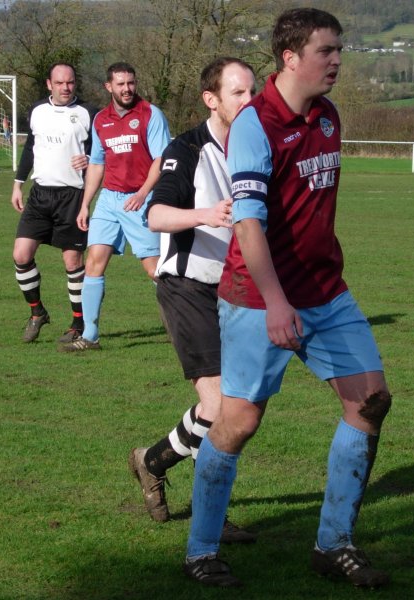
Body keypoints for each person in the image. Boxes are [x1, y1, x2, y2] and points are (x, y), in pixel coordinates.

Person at [183, 8, 392, 588]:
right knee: (239, 421)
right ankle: (201, 549)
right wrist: (277, 303)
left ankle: (333, 544)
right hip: (258, 296)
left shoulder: (327, 115)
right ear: (290, 57)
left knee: (370, 402)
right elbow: (248, 224)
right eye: (326, 51)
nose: (337, 60)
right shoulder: (256, 124)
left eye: (339, 50)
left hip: (327, 292)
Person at [130, 58, 257, 543]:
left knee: (231, 408)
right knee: (222, 405)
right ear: (212, 99)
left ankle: (152, 460)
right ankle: (211, 521)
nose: (249, 102)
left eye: (252, 92)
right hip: (186, 286)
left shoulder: (253, 146)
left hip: (235, 290)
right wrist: (207, 213)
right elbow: (156, 215)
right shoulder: (185, 149)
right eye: (238, 94)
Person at [61, 62, 171, 352]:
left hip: (141, 200)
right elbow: (97, 163)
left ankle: (180, 323)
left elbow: (161, 160)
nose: (127, 89)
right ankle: (90, 335)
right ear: (108, 87)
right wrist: (86, 204)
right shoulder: (100, 120)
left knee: (155, 270)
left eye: (130, 83)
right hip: (109, 200)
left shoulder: (150, 114)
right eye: (120, 84)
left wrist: (144, 193)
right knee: (94, 262)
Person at [11, 63, 97, 344]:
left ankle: (78, 323)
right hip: (40, 194)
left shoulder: (88, 113)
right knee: (21, 255)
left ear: (75, 83)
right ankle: (37, 313)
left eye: (70, 82)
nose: (65, 88)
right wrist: (18, 183)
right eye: (60, 83)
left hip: (72, 196)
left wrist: (89, 158)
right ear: (49, 84)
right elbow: (30, 148)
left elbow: (100, 151)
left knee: (72, 261)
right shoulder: (37, 110)